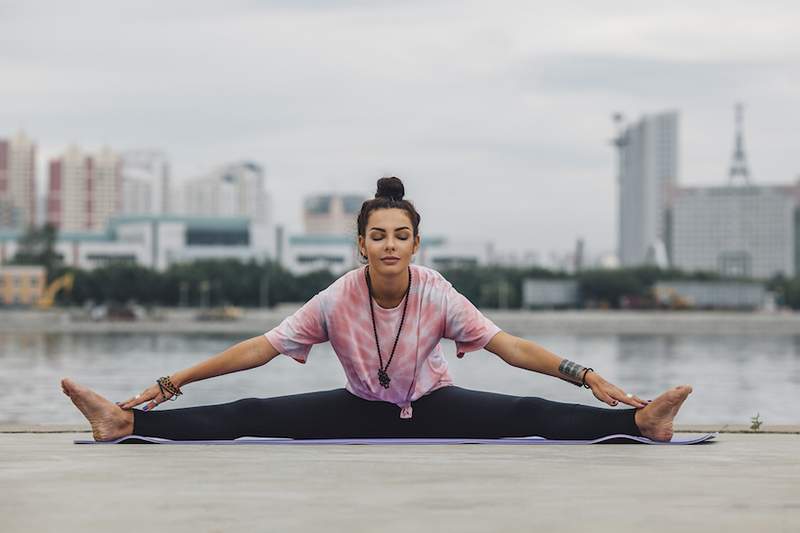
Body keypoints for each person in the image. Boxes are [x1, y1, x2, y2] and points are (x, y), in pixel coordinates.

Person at [62, 177, 692, 443]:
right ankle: (125, 425)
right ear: (361, 243)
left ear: (415, 243)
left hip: (437, 406)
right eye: (378, 236)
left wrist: (584, 375)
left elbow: (510, 347)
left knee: (526, 412)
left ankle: (643, 425)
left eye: (401, 236)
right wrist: (171, 383)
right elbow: (258, 350)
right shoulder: (337, 297)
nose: (389, 246)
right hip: (359, 406)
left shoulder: (436, 291)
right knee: (251, 413)